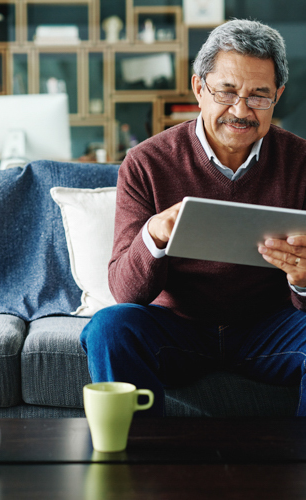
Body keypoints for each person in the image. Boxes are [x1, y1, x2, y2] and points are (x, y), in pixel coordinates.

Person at [80, 19, 306, 417]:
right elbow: (124, 292)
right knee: (110, 326)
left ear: (278, 96)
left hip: (268, 330)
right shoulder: (146, 163)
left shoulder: (301, 162)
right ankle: (138, 471)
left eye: (259, 96)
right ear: (199, 88)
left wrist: (303, 280)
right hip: (178, 329)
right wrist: (154, 234)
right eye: (226, 91)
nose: (241, 110)